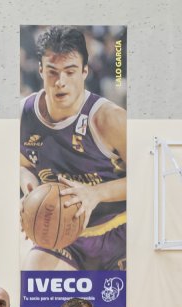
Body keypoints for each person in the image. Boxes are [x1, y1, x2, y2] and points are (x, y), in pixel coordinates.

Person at [20, 27, 127, 271]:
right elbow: (21, 164)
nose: (60, 82)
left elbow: (149, 178)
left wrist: (96, 193)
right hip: (63, 231)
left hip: (119, 229)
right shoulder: (23, 115)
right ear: (40, 71)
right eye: (52, 72)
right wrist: (27, 186)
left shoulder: (109, 119)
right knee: (33, 281)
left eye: (70, 72)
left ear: (85, 71)